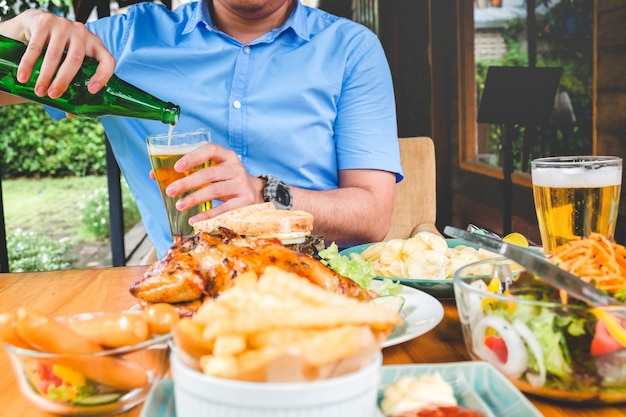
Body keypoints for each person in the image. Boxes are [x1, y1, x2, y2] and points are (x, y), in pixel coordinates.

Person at [0, 0, 402, 259]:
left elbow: (372, 215)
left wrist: (265, 194)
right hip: (188, 292)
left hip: (319, 286)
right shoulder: (121, 43)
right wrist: (23, 26)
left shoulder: (351, 48)